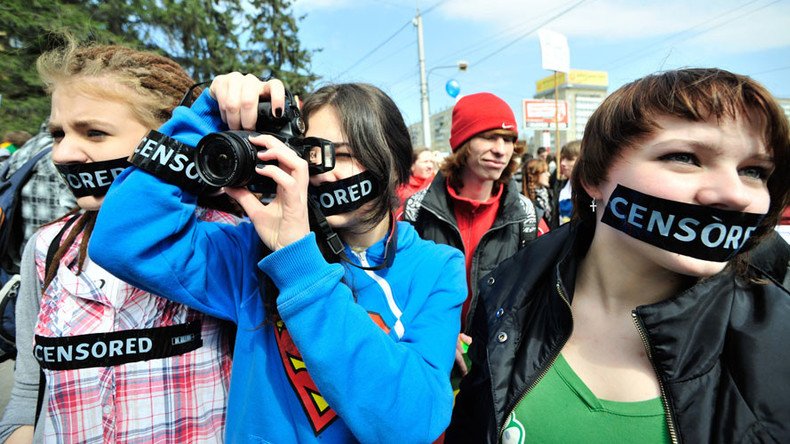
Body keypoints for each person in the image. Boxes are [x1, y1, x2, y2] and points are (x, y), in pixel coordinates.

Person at [89, 74, 466, 443]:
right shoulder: (253, 249)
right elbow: (122, 239)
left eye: (347, 154)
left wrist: (299, 264)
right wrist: (205, 117)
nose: (325, 172)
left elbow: (412, 425)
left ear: (397, 167)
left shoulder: (438, 267)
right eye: (311, 154)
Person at [446, 68, 790, 443]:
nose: (736, 194)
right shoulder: (507, 293)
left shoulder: (777, 339)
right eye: (686, 157)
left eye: (754, 171)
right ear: (594, 176)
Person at [0, 43, 236, 443]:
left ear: (165, 141)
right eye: (58, 133)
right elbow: (28, 391)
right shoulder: (46, 249)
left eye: (95, 132)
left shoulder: (223, 237)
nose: (64, 153)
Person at [402, 92, 537, 377]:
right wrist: (437, 334)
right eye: (489, 137)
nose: (501, 149)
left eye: (509, 139)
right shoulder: (416, 210)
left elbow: (537, 295)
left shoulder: (525, 214)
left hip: (499, 365)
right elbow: (398, 288)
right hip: (430, 358)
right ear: (462, 143)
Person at [395, 147, 436, 217]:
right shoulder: (402, 189)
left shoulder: (438, 184)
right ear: (412, 166)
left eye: (432, 162)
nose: (430, 166)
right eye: (425, 162)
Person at [551, 140, 581, 227]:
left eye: (569, 159)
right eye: (562, 158)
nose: (562, 163)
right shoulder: (560, 186)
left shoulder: (594, 191)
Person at [522, 158, 552, 235]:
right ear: (534, 175)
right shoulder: (523, 201)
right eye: (544, 172)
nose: (548, 174)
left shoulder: (550, 194)